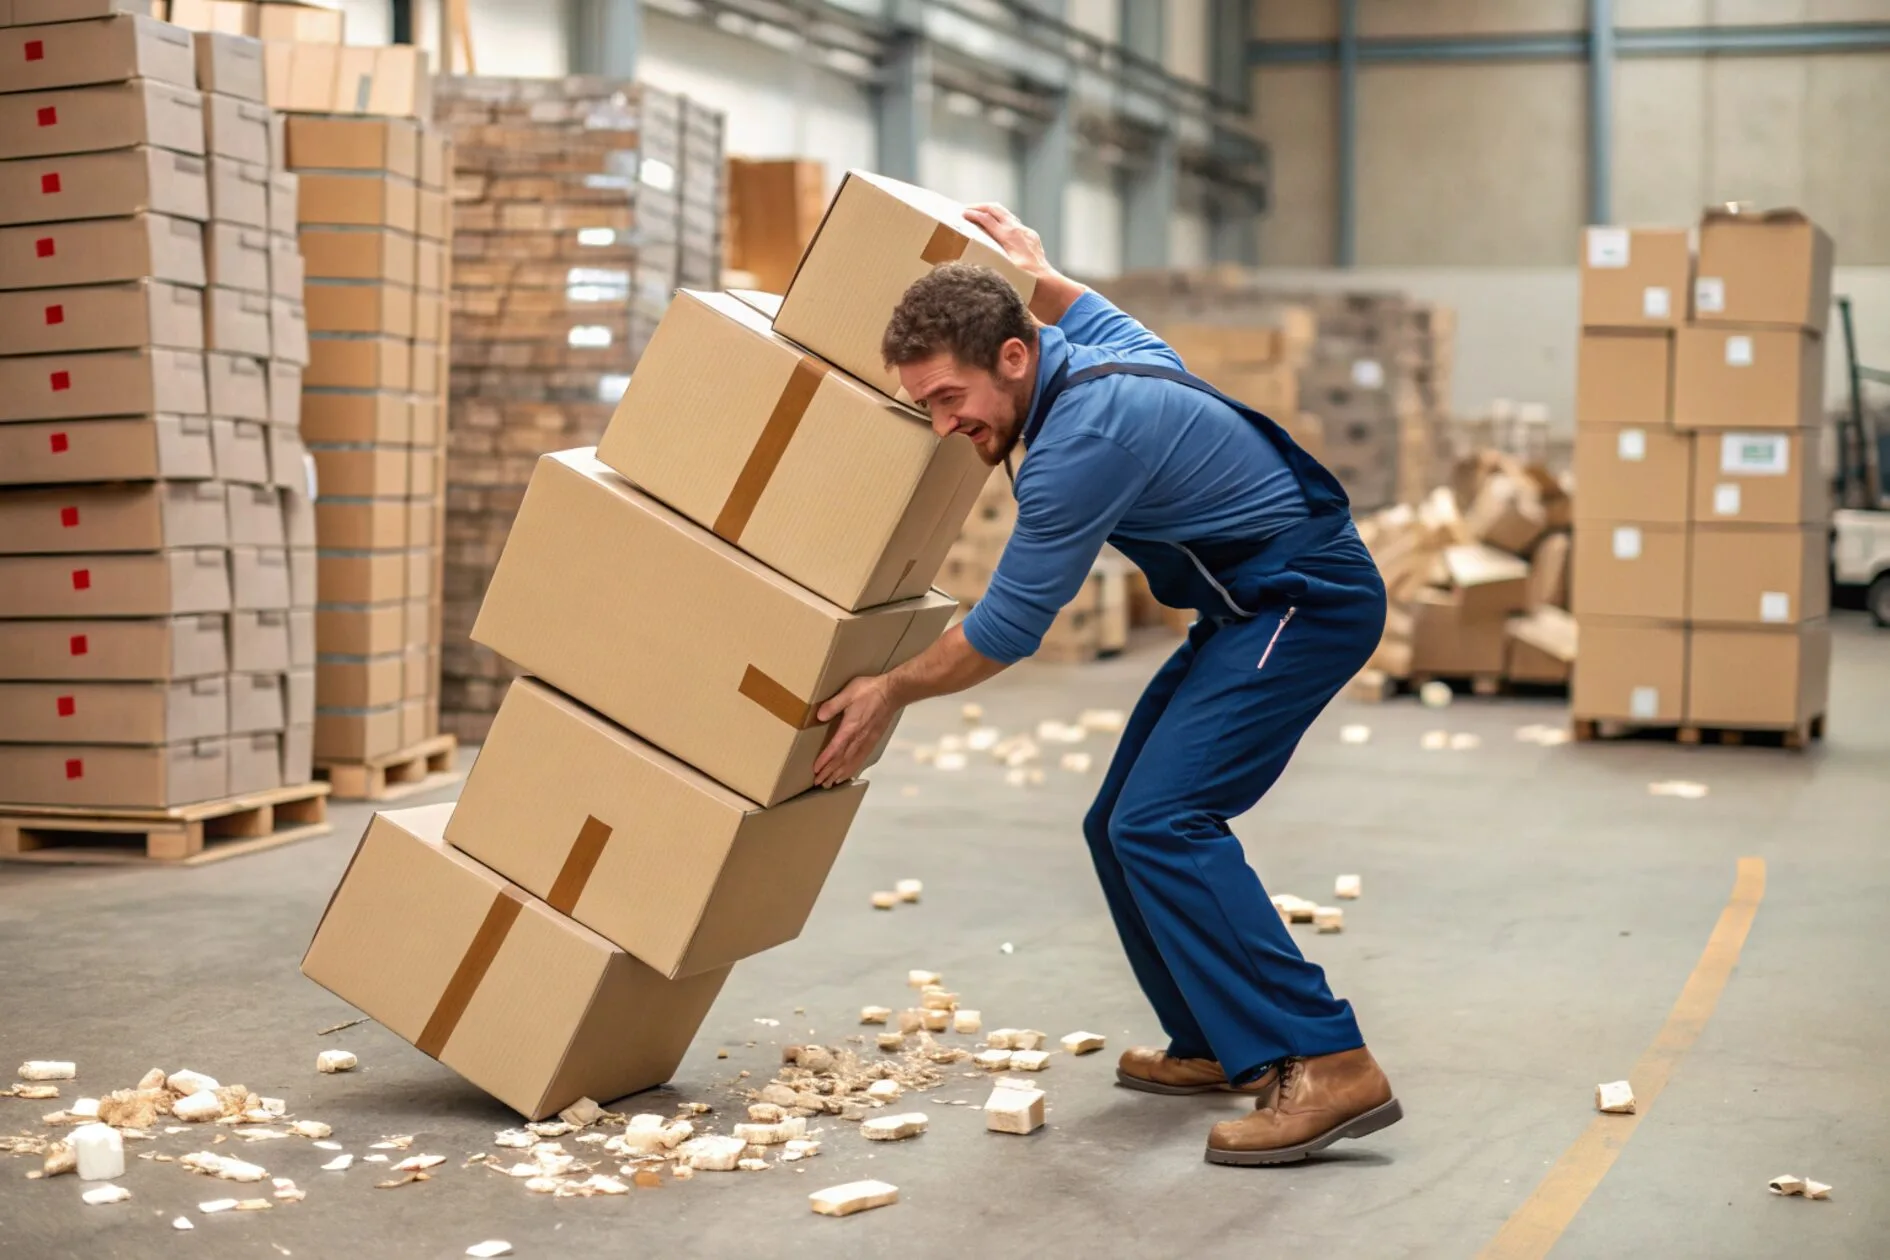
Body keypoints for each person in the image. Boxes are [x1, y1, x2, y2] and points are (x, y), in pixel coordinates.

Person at [811, 203, 1400, 1166]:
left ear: (1012, 356)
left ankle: (1328, 1059)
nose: (943, 424)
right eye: (925, 405)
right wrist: (1034, 270)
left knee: (1163, 821)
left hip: (1305, 603)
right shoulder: (1083, 346)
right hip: (1247, 607)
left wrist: (888, 690)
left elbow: (1004, 633)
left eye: (950, 397)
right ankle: (1218, 1040)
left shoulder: (1082, 443)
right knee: (1116, 822)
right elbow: (1082, 306)